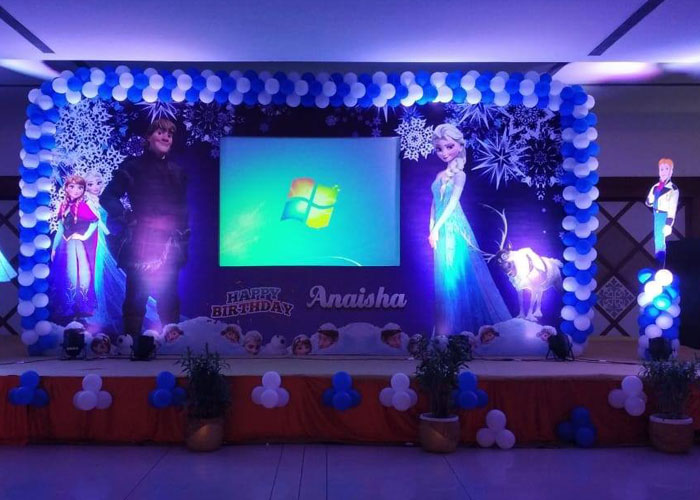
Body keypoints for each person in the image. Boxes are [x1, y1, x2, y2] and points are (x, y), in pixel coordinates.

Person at [101, 119, 189, 339]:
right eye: (160, 132)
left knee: (169, 297)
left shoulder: (177, 171)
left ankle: (171, 345)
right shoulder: (133, 167)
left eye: (170, 134)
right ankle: (131, 344)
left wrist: (183, 238)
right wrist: (126, 217)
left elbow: (182, 208)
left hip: (170, 244)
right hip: (142, 242)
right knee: (136, 297)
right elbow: (108, 197)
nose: (166, 136)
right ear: (148, 137)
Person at [430, 124, 511, 335]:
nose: (444, 153)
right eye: (439, 148)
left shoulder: (460, 175)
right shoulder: (440, 175)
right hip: (440, 230)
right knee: (445, 277)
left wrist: (436, 227)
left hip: (454, 228)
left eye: (449, 146)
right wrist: (431, 227)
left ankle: (458, 330)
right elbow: (435, 203)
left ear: (460, 146)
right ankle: (447, 330)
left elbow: (451, 204)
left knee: (456, 274)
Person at [50, 175, 99, 320]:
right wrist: (54, 247)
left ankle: (81, 307)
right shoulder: (63, 205)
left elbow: (95, 222)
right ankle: (67, 306)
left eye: (80, 187)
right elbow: (60, 228)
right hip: (63, 246)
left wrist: (84, 236)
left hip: (77, 246)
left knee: (79, 274)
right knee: (64, 274)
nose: (76, 190)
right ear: (66, 188)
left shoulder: (84, 205)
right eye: (72, 186)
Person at [645, 158, 679, 267]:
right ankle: (659, 263)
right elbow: (649, 202)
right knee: (657, 240)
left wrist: (669, 224)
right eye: (661, 169)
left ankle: (660, 264)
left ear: (671, 171)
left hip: (664, 215)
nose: (663, 172)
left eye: (666, 169)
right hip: (656, 214)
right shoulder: (656, 186)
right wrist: (653, 194)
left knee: (660, 241)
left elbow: (672, 208)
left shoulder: (673, 189)